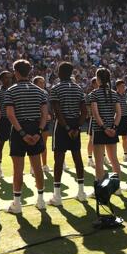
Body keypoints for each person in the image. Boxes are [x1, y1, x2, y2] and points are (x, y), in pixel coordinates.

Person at [5, 59, 49, 214]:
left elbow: (10, 115)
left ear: (16, 72)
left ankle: (17, 204)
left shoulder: (11, 91)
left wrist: (22, 133)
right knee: (37, 167)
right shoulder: (40, 92)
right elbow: (44, 115)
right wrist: (38, 132)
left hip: (19, 131)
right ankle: (41, 200)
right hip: (35, 128)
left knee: (18, 169)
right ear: (29, 72)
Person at [47, 62, 87, 207]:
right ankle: (81, 193)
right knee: (77, 158)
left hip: (62, 126)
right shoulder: (78, 88)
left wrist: (68, 128)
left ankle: (57, 196)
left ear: (59, 72)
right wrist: (76, 127)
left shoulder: (56, 88)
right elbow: (84, 112)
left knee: (59, 159)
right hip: (75, 124)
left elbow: (57, 111)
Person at [88, 67, 123, 191]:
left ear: (98, 79)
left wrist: (104, 128)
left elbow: (95, 114)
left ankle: (101, 190)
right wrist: (113, 127)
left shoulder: (94, 94)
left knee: (99, 162)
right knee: (114, 160)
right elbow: (118, 113)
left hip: (99, 130)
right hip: (112, 129)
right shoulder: (114, 93)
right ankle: (117, 187)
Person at [0, 70, 13, 180]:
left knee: (14, 145)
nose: (9, 80)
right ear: (1, 80)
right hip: (3, 121)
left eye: (10, 77)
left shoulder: (14, 91)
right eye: (6, 77)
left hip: (14, 121)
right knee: (0, 145)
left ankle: (16, 168)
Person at [33, 76, 53, 174]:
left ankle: (44, 165)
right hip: (34, 121)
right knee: (33, 144)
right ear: (35, 83)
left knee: (43, 144)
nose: (43, 84)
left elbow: (47, 106)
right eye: (40, 82)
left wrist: (48, 114)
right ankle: (34, 167)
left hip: (44, 122)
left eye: (43, 82)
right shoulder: (31, 92)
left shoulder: (45, 92)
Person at [115, 79, 127, 163]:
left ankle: (125, 154)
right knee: (114, 138)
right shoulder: (114, 95)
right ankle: (114, 156)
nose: (124, 88)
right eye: (122, 86)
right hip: (117, 118)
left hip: (125, 118)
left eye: (124, 86)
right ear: (117, 87)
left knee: (125, 137)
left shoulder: (126, 95)